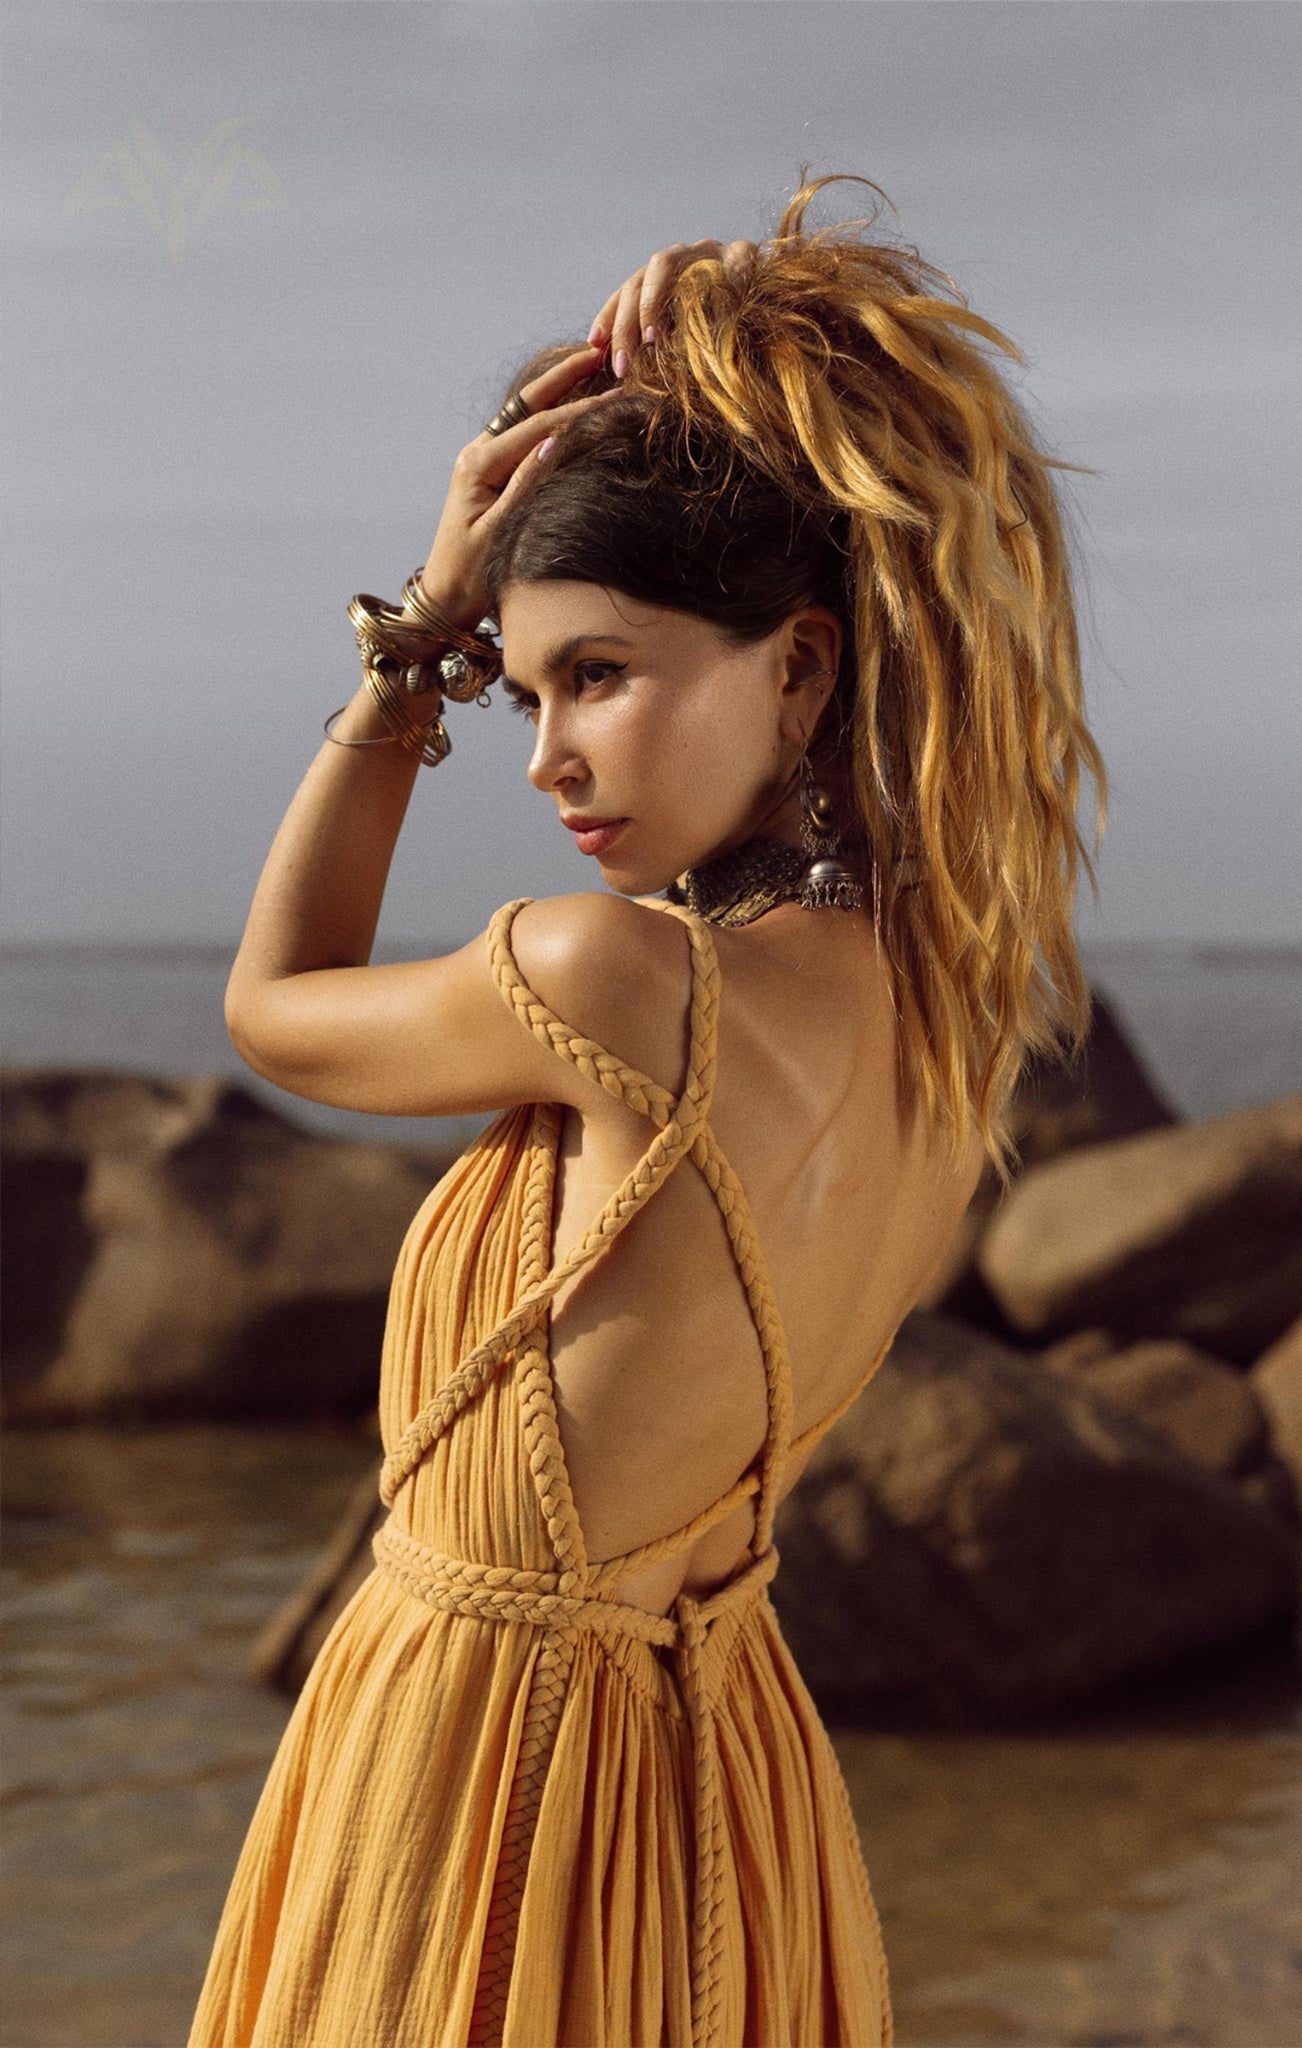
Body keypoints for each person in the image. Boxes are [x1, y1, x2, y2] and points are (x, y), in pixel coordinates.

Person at [189, 171, 1107, 2048]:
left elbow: (272, 1008)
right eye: (512, 688)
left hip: (480, 1753)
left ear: (801, 660)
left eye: (594, 675)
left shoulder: (608, 974)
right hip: (722, 1768)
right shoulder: (952, 1014)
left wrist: (416, 637)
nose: (541, 759)